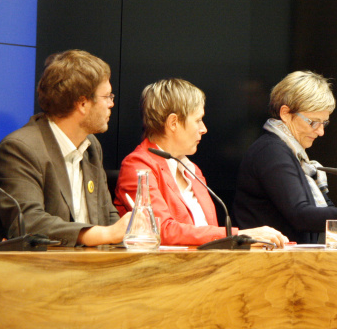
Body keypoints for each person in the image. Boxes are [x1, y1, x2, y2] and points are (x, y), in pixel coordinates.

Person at [0, 50, 130, 246]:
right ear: (82, 103)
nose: (112, 104)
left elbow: (107, 216)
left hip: (82, 268)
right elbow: (29, 224)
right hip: (16, 271)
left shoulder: (91, 146)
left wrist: (130, 234)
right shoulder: (20, 149)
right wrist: (104, 235)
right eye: (107, 96)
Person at [232, 71, 337, 244]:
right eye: (313, 122)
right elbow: (301, 215)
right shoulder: (271, 151)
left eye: (324, 123)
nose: (321, 132)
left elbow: (328, 213)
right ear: (285, 113)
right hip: (267, 262)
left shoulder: (295, 155)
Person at [114, 78, 288, 247]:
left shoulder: (192, 169)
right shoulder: (138, 166)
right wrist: (240, 235)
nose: (204, 129)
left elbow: (208, 233)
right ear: (173, 122)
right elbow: (159, 231)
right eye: (198, 120)